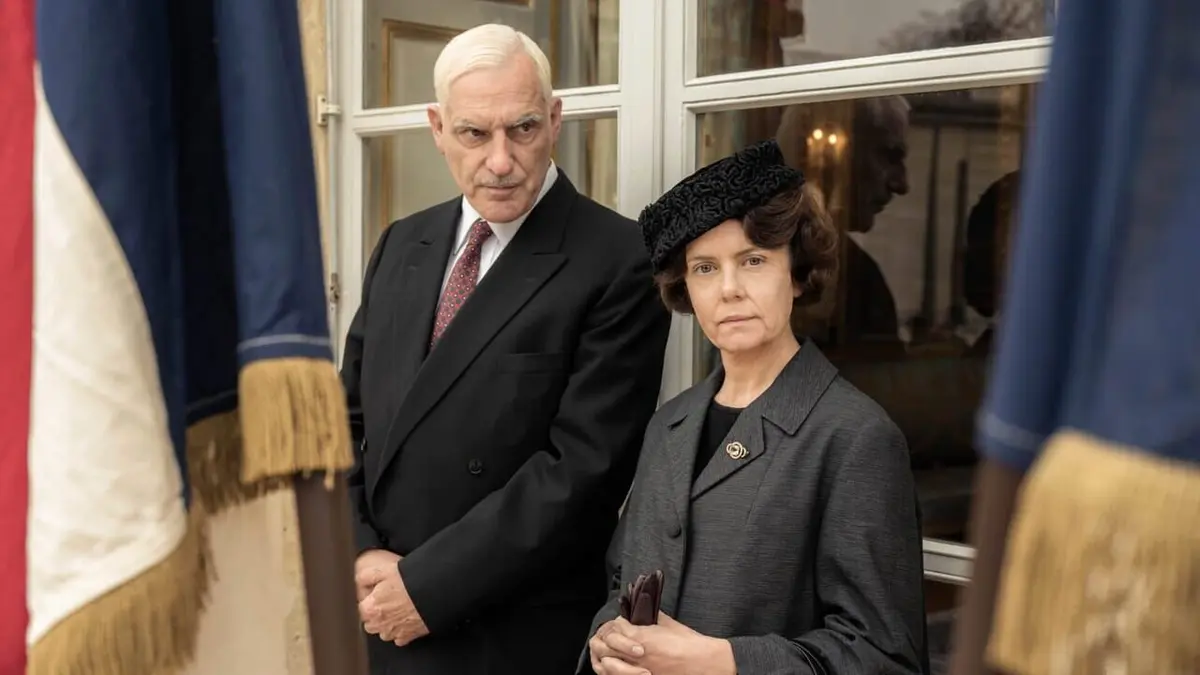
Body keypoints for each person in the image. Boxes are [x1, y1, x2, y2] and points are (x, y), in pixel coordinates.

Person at [340, 23, 671, 675]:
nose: (500, 160)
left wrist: (427, 586)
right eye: (473, 133)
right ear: (437, 128)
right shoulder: (402, 243)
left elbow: (583, 470)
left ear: (554, 119)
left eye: (522, 129)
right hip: (376, 616)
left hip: (508, 635)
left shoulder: (618, 257)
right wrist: (357, 552)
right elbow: (341, 423)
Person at [581, 140, 928, 675]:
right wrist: (607, 638)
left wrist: (724, 661)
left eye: (753, 260)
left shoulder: (856, 437)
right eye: (704, 268)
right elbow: (622, 582)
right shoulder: (669, 424)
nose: (729, 289)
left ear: (797, 273)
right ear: (685, 287)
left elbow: (885, 657)